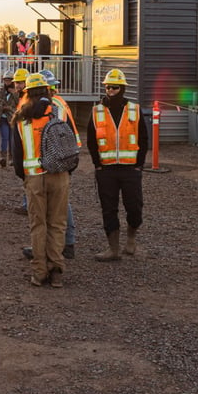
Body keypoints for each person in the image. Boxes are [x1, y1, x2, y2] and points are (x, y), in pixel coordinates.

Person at [12, 73, 70, 287]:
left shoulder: (20, 117)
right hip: (59, 175)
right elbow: (72, 145)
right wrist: (66, 171)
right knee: (57, 223)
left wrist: (26, 176)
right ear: (47, 90)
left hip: (34, 177)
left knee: (38, 225)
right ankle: (56, 272)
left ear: (26, 92)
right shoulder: (60, 111)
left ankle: (39, 272)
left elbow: (16, 156)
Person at [88, 69, 148, 261]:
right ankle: (113, 249)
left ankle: (131, 238)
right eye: (108, 87)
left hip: (130, 169)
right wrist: (97, 165)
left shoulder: (134, 110)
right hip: (106, 170)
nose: (110, 90)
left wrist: (139, 164)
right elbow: (91, 140)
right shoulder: (97, 111)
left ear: (122, 88)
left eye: (114, 87)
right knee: (108, 208)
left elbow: (144, 139)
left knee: (134, 207)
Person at [0, 70, 18, 167]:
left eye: (9, 80)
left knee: (12, 138)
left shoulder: (16, 92)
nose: (7, 82)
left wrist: (14, 94)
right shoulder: (0, 92)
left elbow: (19, 105)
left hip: (12, 118)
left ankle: (11, 158)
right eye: (5, 80)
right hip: (2, 118)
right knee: (5, 137)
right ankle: (3, 157)